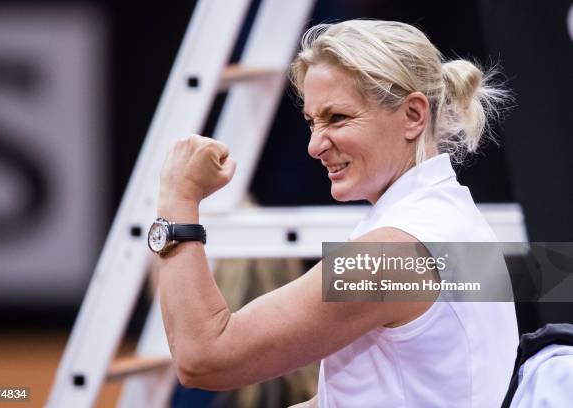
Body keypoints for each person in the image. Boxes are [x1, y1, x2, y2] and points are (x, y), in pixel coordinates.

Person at [152, 19, 518, 407]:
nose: (314, 145)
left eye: (337, 118)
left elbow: (204, 358)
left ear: (413, 116)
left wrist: (179, 198)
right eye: (312, 122)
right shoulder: (447, 216)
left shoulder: (391, 255)